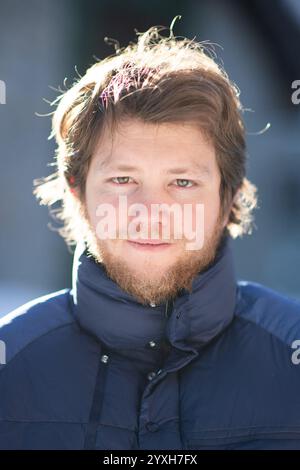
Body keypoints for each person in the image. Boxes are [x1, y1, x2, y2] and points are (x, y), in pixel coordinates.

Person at [0, 21, 300, 450]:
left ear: (228, 196)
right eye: (123, 179)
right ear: (76, 191)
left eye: (182, 183)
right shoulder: (10, 367)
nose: (150, 213)